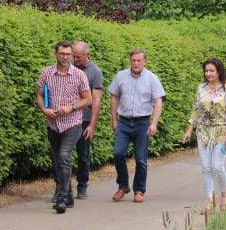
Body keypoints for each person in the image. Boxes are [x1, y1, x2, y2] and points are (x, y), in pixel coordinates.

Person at [37, 40, 92, 214]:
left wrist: (71, 107)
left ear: (72, 56)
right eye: (62, 53)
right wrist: (44, 109)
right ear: (56, 54)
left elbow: (88, 99)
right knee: (57, 160)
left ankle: (61, 197)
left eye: (68, 54)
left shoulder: (79, 75)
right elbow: (39, 94)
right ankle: (68, 194)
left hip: (72, 123)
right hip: (53, 124)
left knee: (64, 156)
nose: (65, 57)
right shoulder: (46, 73)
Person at [108, 48, 165, 203]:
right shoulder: (120, 76)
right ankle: (123, 186)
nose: (136, 63)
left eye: (139, 60)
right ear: (130, 61)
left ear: (144, 62)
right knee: (118, 153)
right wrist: (114, 119)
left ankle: (139, 190)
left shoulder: (152, 78)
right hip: (124, 122)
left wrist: (154, 123)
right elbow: (114, 98)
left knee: (141, 159)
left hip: (142, 123)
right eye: (133, 60)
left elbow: (158, 102)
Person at [181, 58, 226, 214]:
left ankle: (224, 195)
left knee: (217, 166)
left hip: (221, 132)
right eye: (206, 71)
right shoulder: (201, 88)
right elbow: (196, 110)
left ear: (219, 71)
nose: (209, 74)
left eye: (212, 71)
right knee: (206, 168)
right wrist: (189, 129)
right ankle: (210, 200)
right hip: (203, 132)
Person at [71, 41, 104, 199]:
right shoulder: (68, 67)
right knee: (62, 155)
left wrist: (92, 124)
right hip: (68, 118)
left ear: (87, 56)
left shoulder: (94, 72)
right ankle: (62, 187)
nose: (75, 60)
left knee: (83, 155)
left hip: (84, 119)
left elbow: (96, 100)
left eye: (78, 57)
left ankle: (82, 185)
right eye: (74, 57)